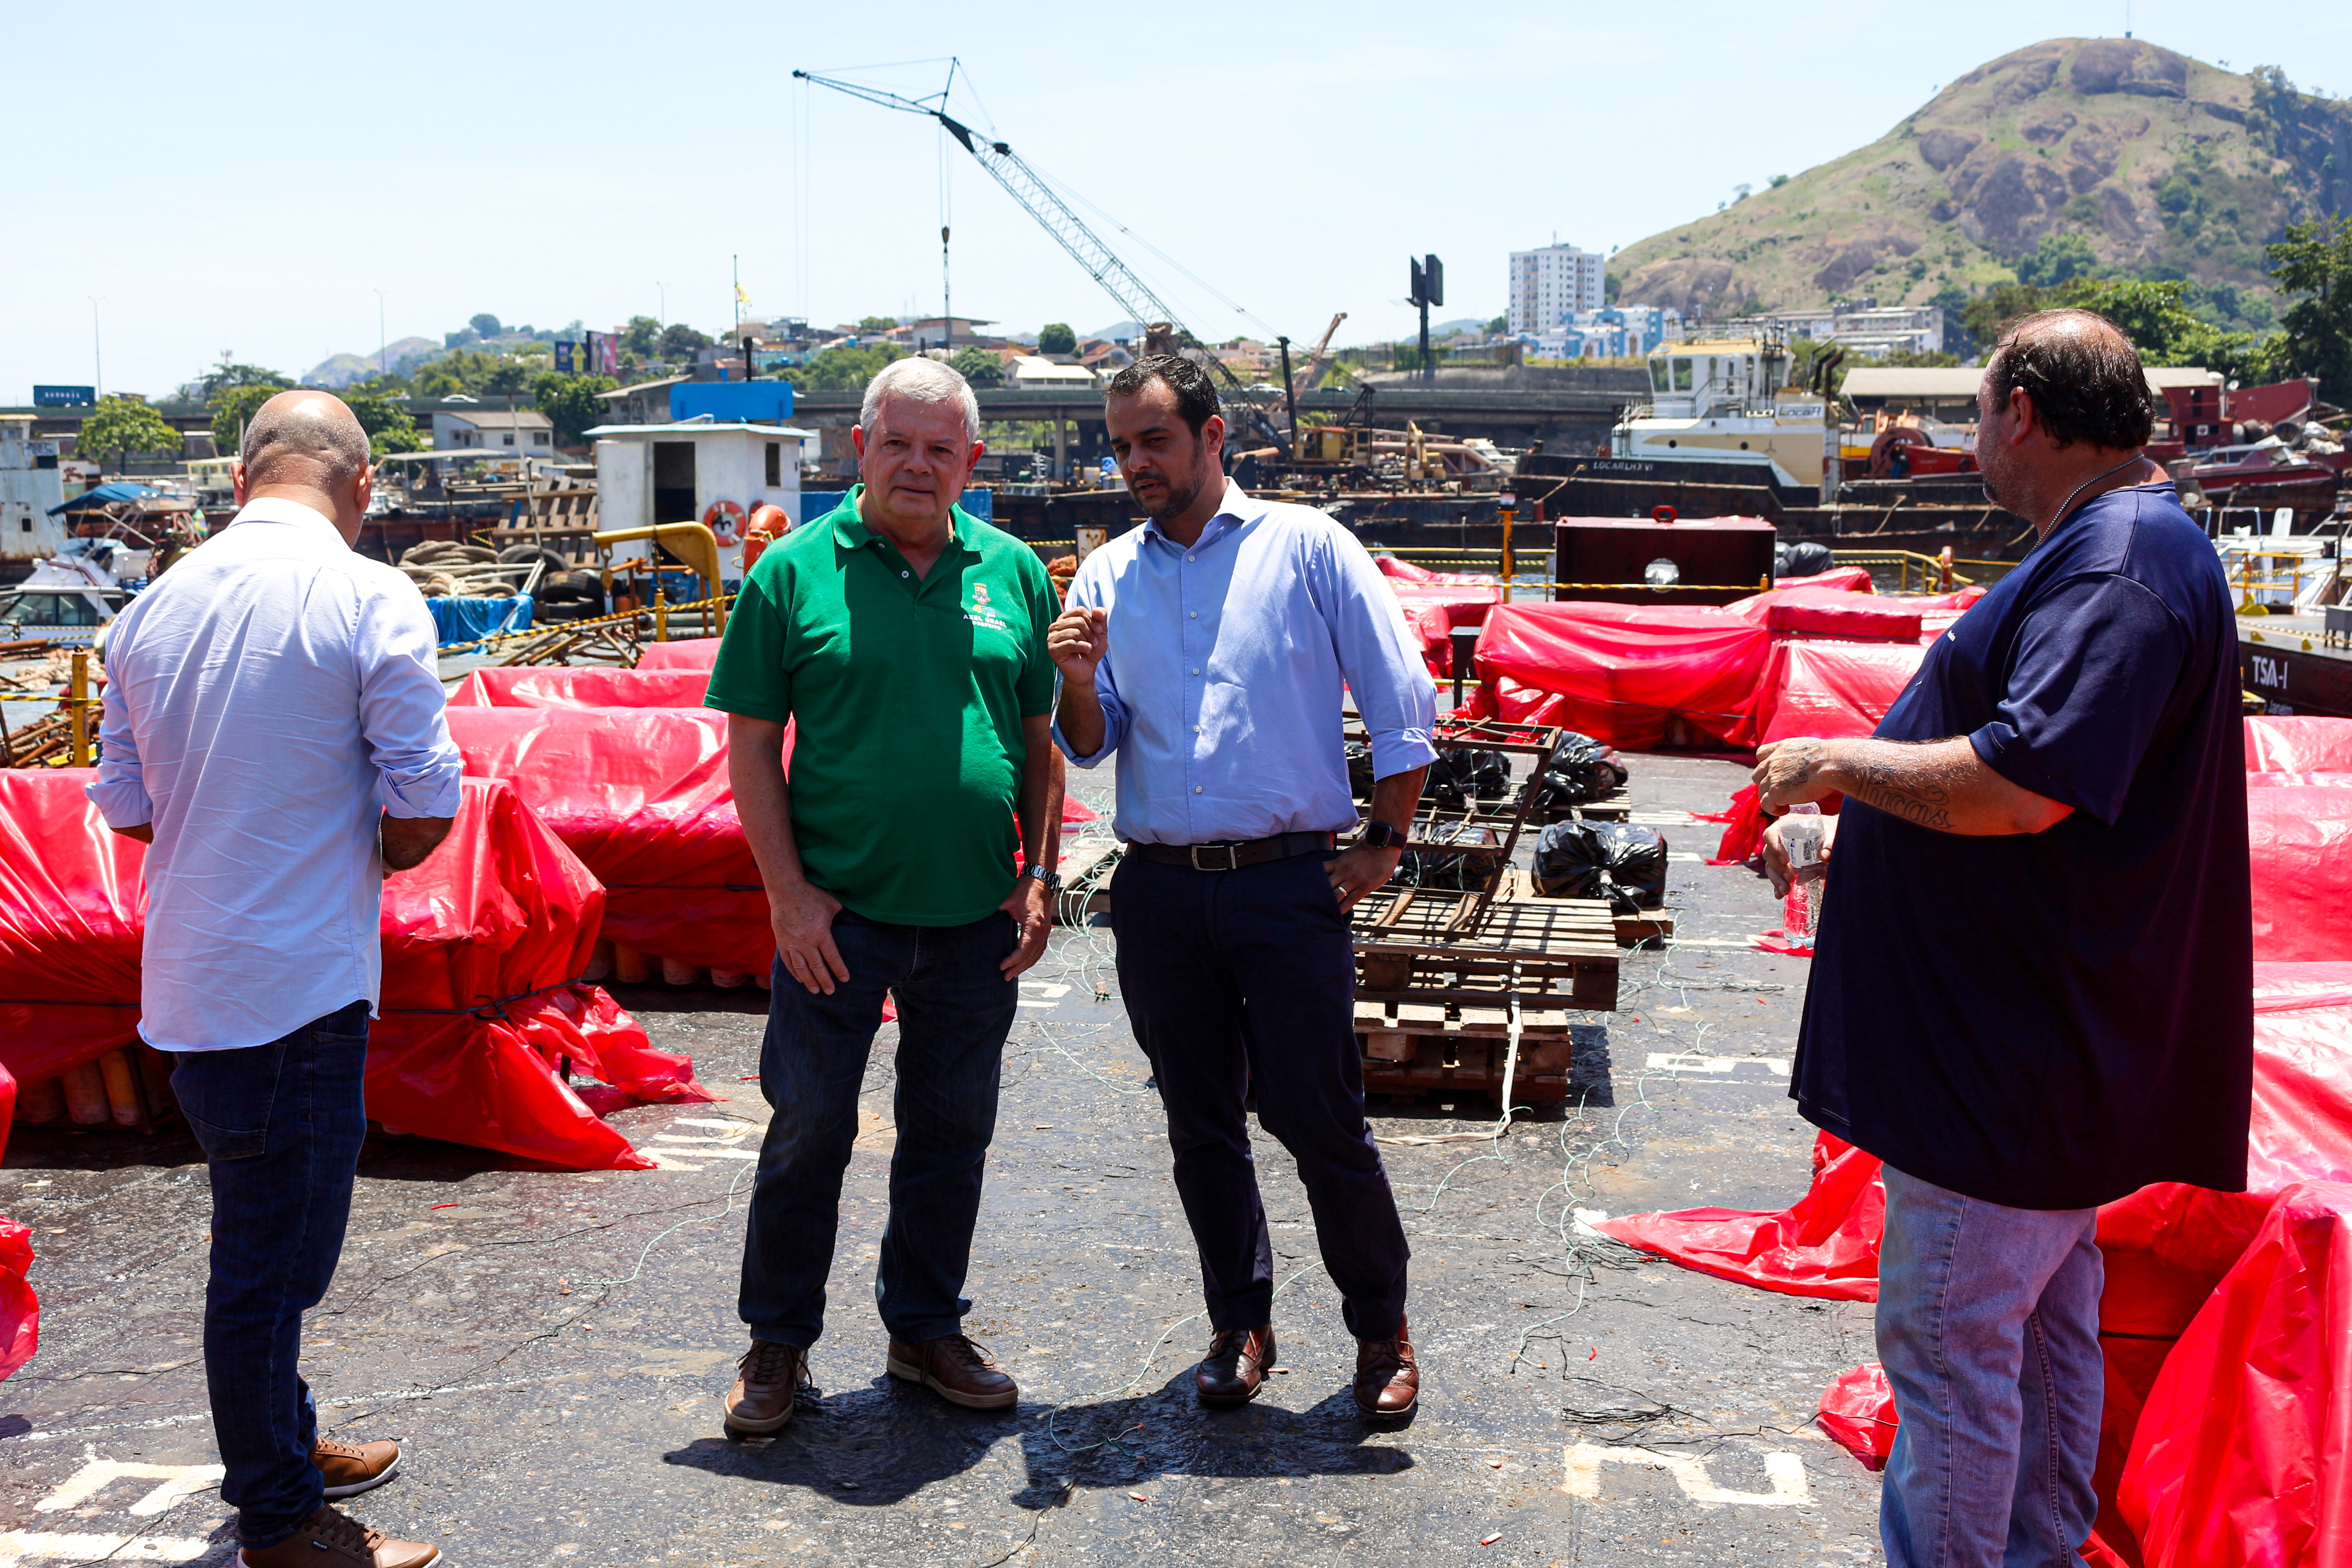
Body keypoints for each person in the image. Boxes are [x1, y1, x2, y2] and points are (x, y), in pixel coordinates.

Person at [1754, 310, 2251, 1566]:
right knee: (2037, 1346)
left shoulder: (2120, 561)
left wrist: (1833, 766)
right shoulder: (2129, 544)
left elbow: (2025, 787)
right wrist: (1854, 836)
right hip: (2034, 1057)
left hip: (2006, 1071)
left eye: (1979, 416)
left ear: (2022, 411)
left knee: (1953, 1351)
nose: (1973, 443)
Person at [89, 391, 460, 1568]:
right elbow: (424, 809)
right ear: (359, 488)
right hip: (300, 990)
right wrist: (349, 840)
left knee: (265, 1241)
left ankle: (285, 1441)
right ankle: (282, 1518)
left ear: (241, 482)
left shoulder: (144, 614)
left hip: (196, 984)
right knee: (270, 1262)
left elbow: (135, 810)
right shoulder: (368, 594)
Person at [1049, 354, 1436, 1419]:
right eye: (1121, 445)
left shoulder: (1308, 548)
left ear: (1214, 438)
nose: (1134, 463)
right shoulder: (1106, 577)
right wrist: (1077, 683)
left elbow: (1405, 703)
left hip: (1283, 887)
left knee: (1320, 1119)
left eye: (1154, 441)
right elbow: (1092, 745)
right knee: (1200, 1122)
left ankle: (1380, 1333)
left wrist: (1384, 843)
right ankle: (1240, 1324)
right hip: (1162, 894)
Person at [706, 356, 1062, 1433]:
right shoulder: (791, 574)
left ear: (972, 462)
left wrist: (1040, 875)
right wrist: (789, 899)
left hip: (975, 925)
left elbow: (1042, 743)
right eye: (898, 443)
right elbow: (753, 750)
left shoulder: (1014, 572)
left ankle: (924, 1330)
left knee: (952, 1133)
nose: (919, 464)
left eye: (940, 448)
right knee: (809, 1129)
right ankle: (777, 1347)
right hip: (838, 921)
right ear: (857, 448)